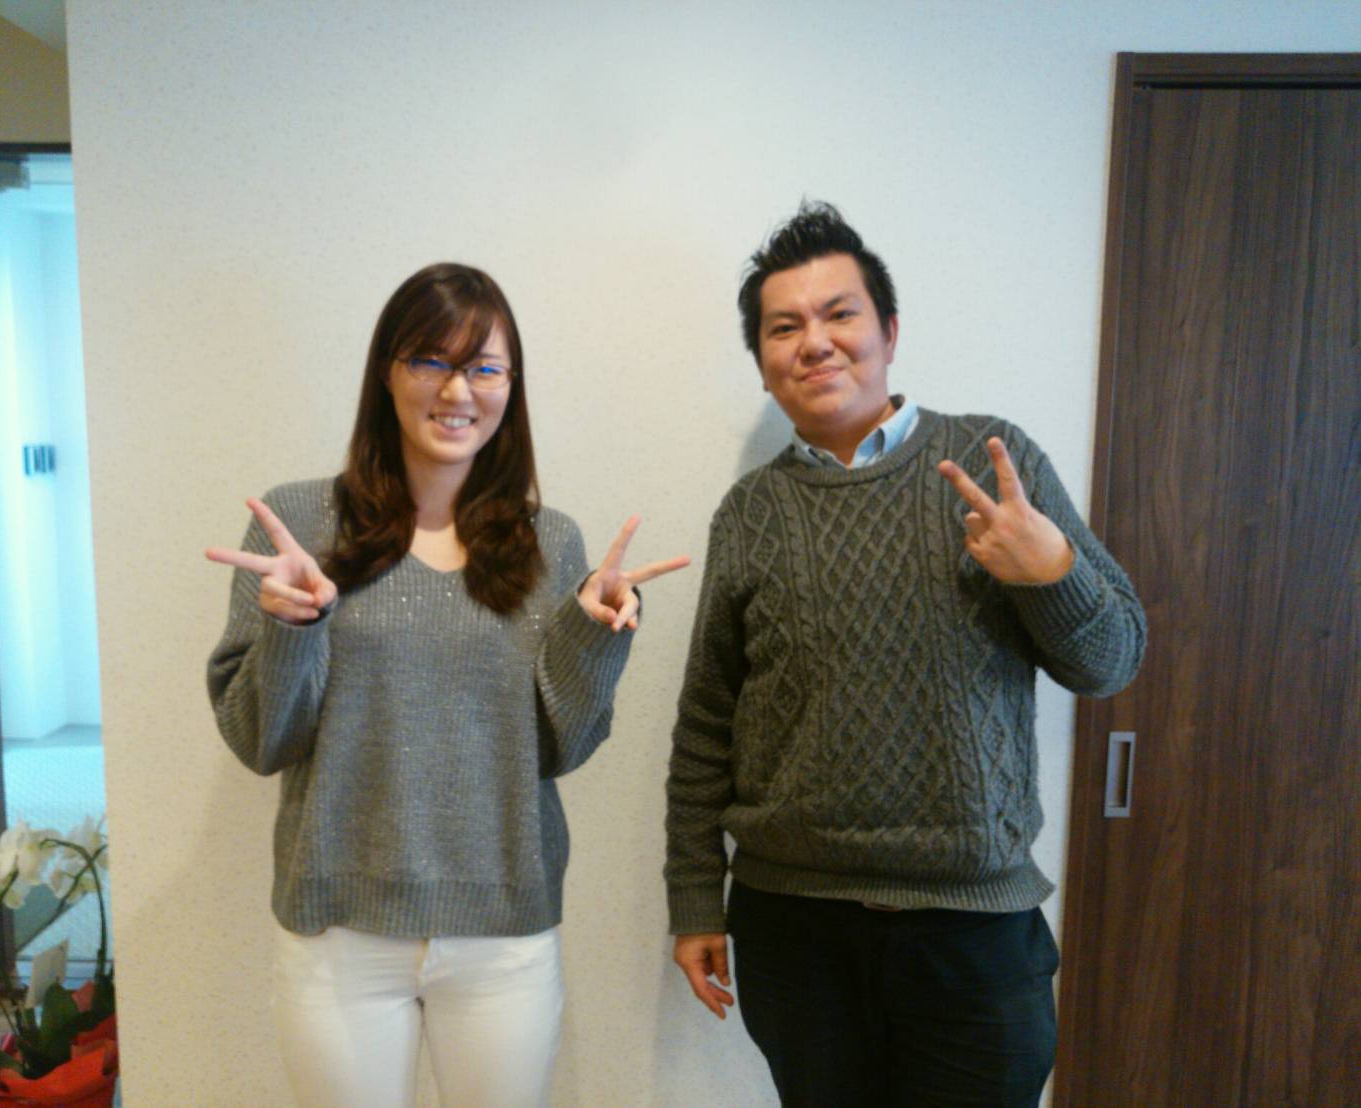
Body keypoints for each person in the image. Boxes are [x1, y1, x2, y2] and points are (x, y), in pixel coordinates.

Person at [664, 203, 1146, 1106]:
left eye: (838, 314)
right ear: (762, 365)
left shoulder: (993, 463)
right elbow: (705, 727)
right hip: (793, 928)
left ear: (888, 331)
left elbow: (1111, 662)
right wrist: (694, 898)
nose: (815, 342)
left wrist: (1053, 572)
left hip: (972, 932)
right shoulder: (749, 513)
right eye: (783, 327)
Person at [207, 262, 687, 1108]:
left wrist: (592, 637)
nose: (457, 390)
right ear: (386, 373)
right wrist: (291, 629)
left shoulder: (550, 543)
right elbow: (259, 741)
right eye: (430, 360)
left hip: (503, 930)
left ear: (511, 385)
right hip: (338, 930)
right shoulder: (300, 525)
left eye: (484, 367)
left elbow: (561, 750)